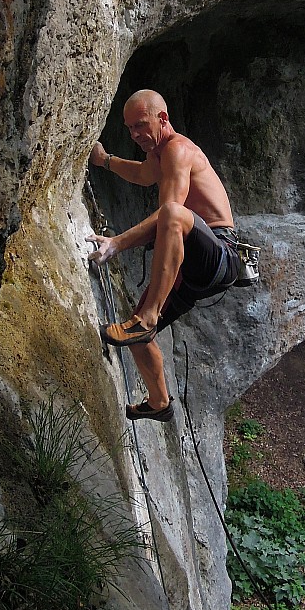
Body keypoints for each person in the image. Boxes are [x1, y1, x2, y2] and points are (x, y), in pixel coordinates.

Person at [87, 89, 240, 422]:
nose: (136, 135)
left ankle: (147, 319)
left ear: (163, 119)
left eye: (141, 125)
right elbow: (143, 175)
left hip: (220, 254)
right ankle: (159, 403)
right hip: (188, 269)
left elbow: (169, 213)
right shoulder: (157, 154)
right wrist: (105, 161)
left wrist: (116, 243)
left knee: (171, 211)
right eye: (130, 129)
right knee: (137, 341)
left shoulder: (178, 151)